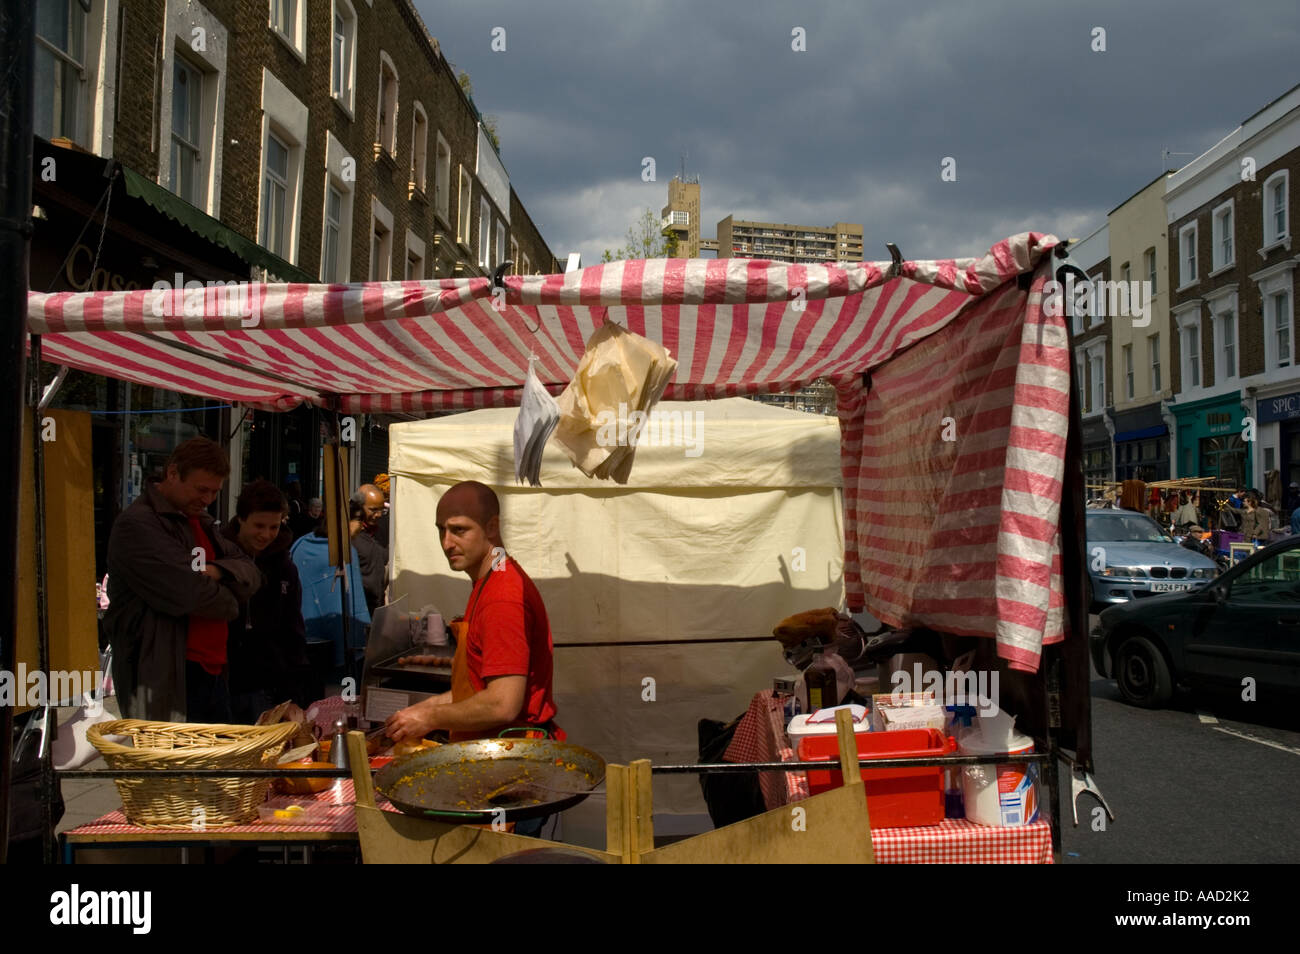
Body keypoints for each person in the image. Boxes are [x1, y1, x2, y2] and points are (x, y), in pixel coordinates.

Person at [103, 437, 261, 722]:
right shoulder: (137, 525)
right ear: (173, 473)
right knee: (172, 765)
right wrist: (231, 598)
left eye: (214, 492)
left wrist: (217, 571)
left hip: (211, 672)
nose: (208, 499)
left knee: (215, 763)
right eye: (201, 489)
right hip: (164, 678)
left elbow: (251, 572)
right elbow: (190, 592)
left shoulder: (201, 521)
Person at [385, 481, 558, 743]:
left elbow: (502, 703)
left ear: (491, 527)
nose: (446, 543)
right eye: (441, 530)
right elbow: (478, 687)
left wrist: (430, 718)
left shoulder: (503, 597)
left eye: (458, 530)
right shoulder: (491, 579)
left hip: (514, 757)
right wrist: (427, 707)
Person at [222, 480, 314, 722]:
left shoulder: (285, 567)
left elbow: (293, 631)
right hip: (221, 682)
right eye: (259, 526)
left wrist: (295, 694)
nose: (266, 535)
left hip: (267, 685)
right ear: (241, 519)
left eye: (273, 527)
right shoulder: (218, 554)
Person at [290, 508, 371, 678]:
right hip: (326, 642)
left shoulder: (301, 546)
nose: (362, 528)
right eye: (359, 523)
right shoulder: (345, 552)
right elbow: (355, 603)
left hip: (304, 636)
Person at [350, 484, 389, 612]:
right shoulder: (350, 536)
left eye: (381, 510)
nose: (378, 515)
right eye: (373, 510)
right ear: (358, 508)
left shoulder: (383, 528)